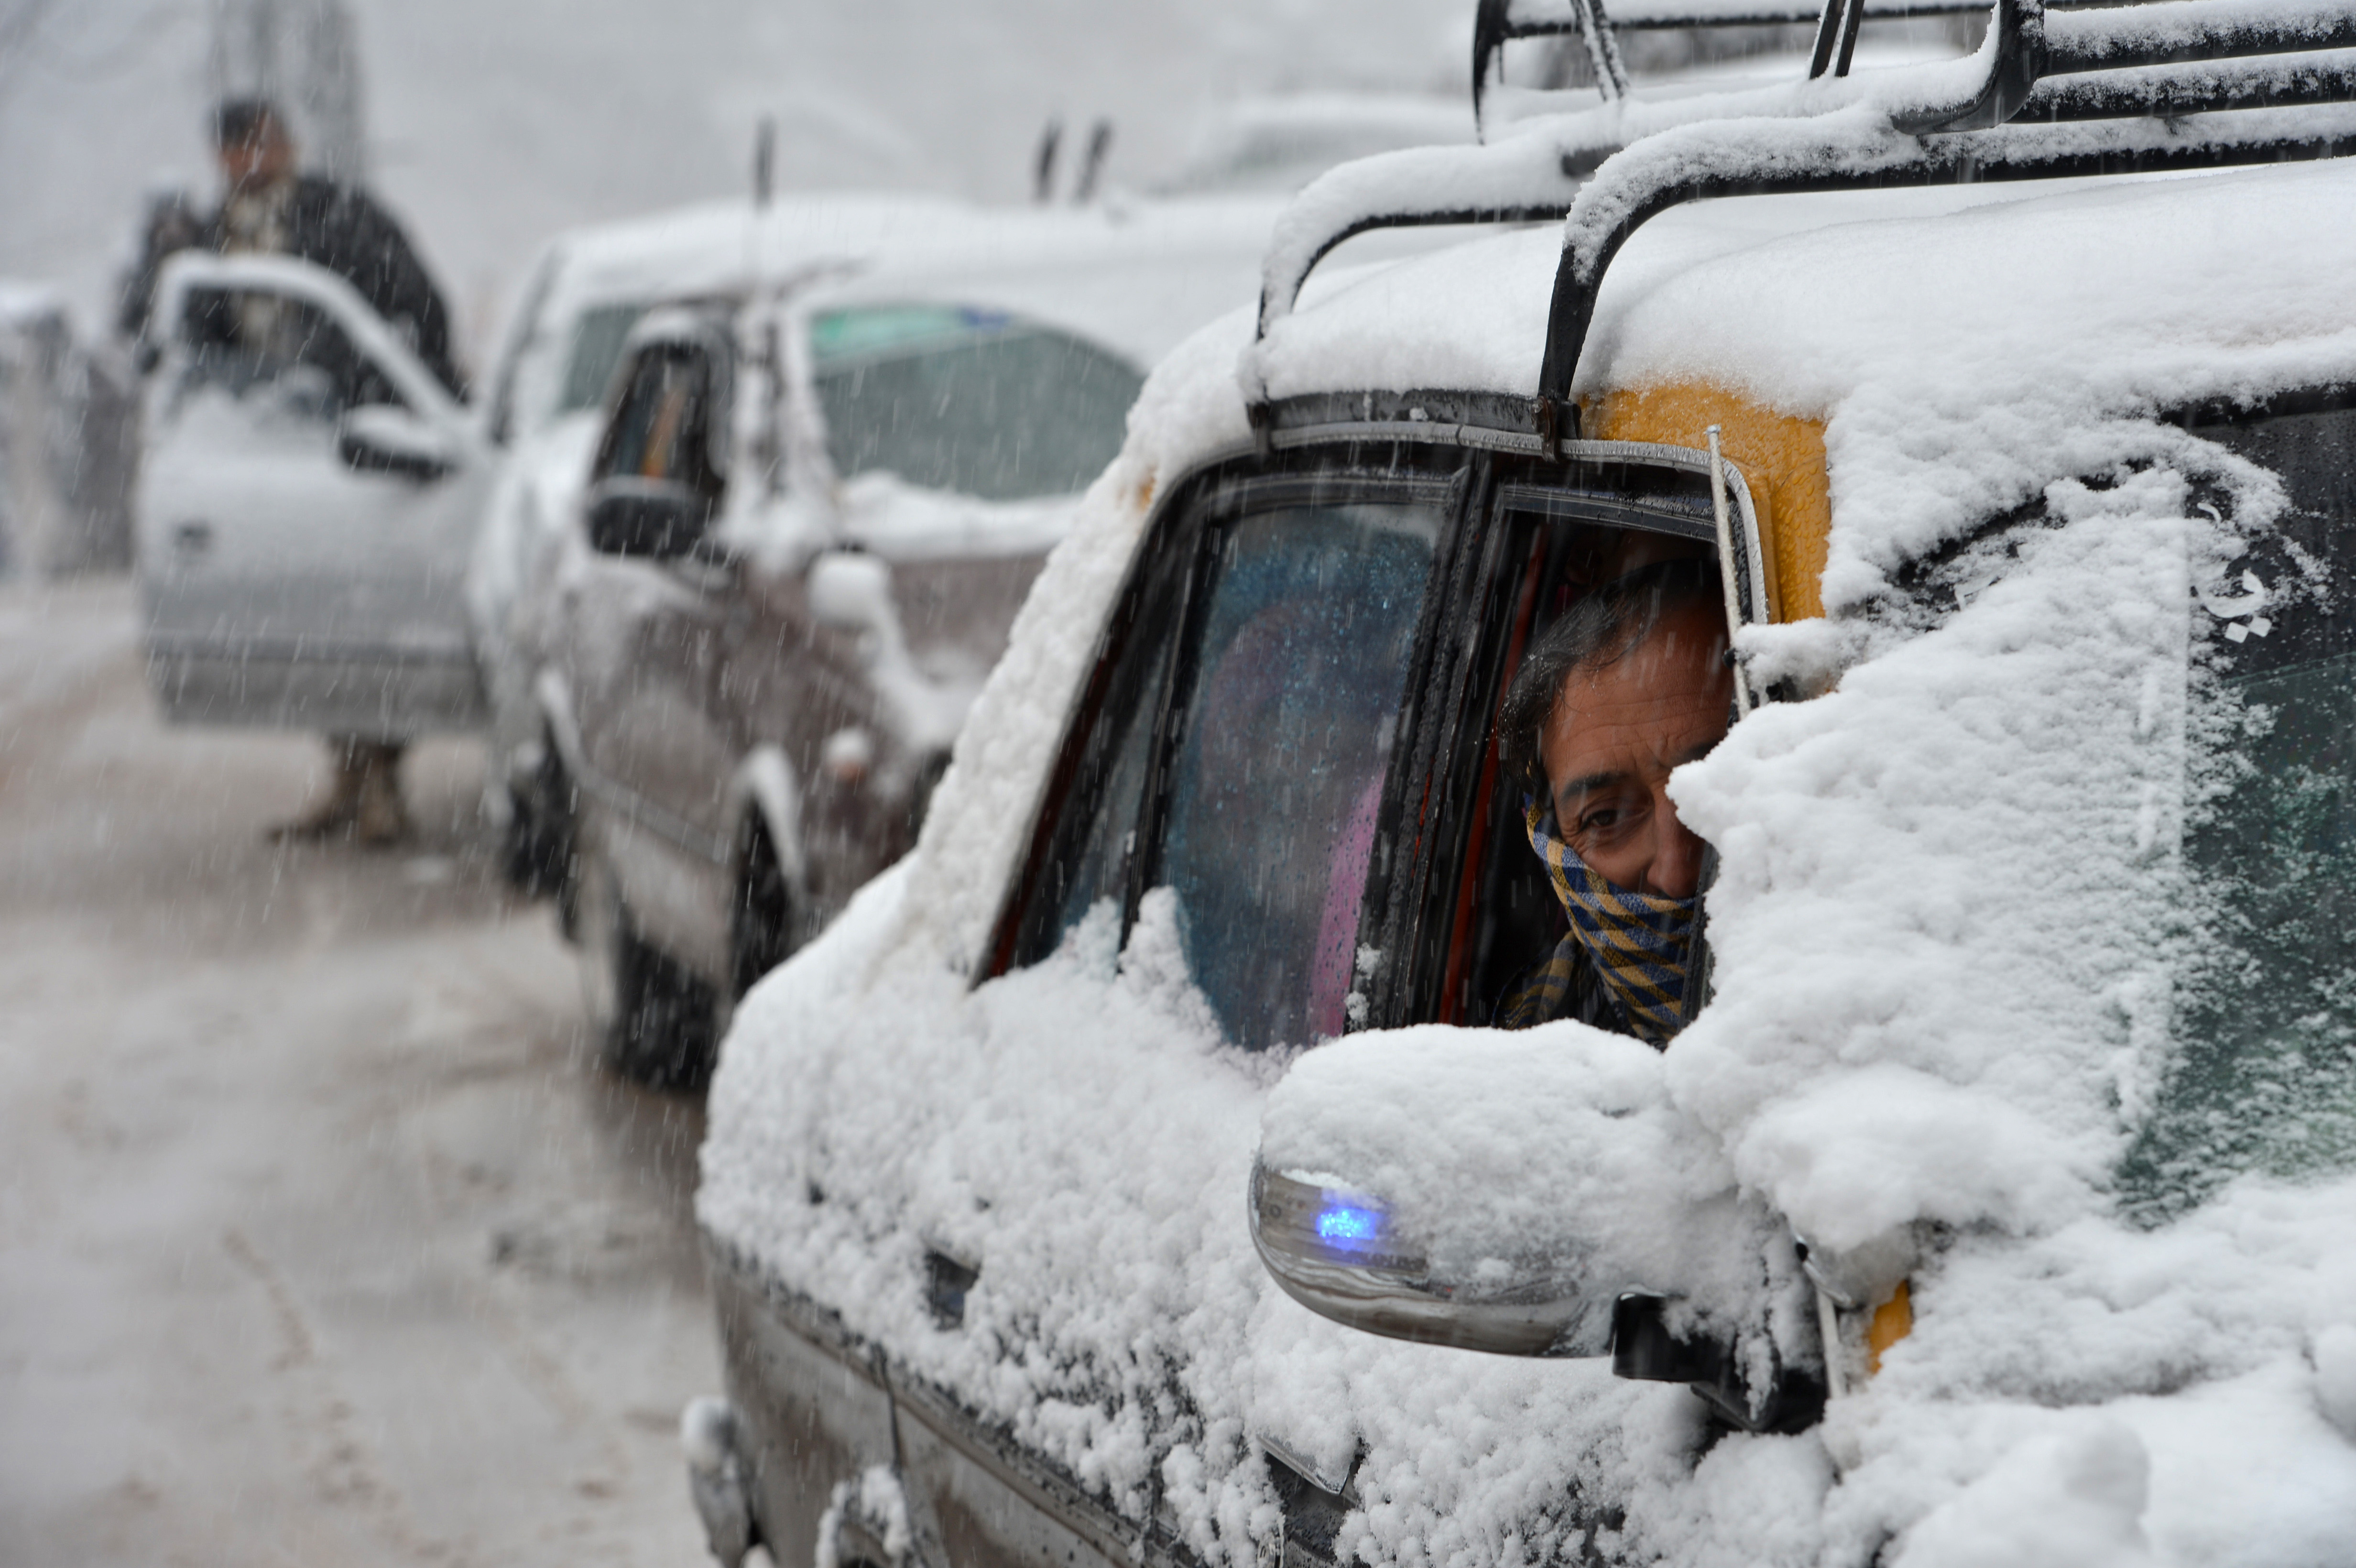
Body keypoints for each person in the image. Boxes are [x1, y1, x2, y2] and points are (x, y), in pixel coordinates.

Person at [132, 98, 468, 846]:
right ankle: (348, 774)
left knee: (366, 616)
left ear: (286, 144)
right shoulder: (208, 237)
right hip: (266, 451)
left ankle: (382, 781)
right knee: (313, 621)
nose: (248, 160)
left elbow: (417, 311)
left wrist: (398, 397)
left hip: (356, 446)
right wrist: (158, 256)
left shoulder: (342, 217)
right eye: (233, 148)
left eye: (260, 143)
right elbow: (161, 334)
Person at [1492, 558, 1735, 1045]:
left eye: (1721, 774)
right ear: (1553, 843)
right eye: (1604, 817)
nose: (1677, 872)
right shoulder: (1520, 1056)